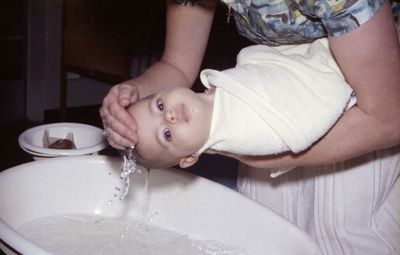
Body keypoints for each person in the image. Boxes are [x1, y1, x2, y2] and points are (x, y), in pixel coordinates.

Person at [100, 0, 400, 254]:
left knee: (344, 232)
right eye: (164, 122)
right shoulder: (234, 119)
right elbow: (177, 66)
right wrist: (134, 94)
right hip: (267, 88)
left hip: (372, 87)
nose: (170, 118)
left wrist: (272, 154)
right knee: (267, 231)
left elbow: (388, 119)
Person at [128, 39, 356, 171]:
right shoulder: (241, 132)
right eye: (167, 134)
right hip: (334, 74)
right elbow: (298, 121)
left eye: (159, 106)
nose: (169, 116)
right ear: (190, 158)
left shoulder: (217, 98)